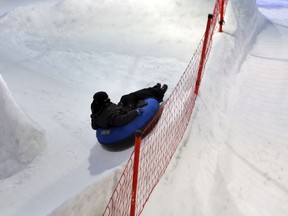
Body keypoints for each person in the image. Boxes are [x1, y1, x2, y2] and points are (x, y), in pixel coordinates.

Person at [90, 83, 168, 130]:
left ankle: (155, 89)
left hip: (121, 109)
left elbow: (95, 125)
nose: (109, 100)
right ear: (103, 101)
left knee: (125, 97)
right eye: (107, 99)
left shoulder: (97, 108)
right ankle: (159, 92)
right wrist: (135, 111)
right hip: (127, 111)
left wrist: (119, 106)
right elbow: (122, 119)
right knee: (135, 96)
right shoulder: (107, 114)